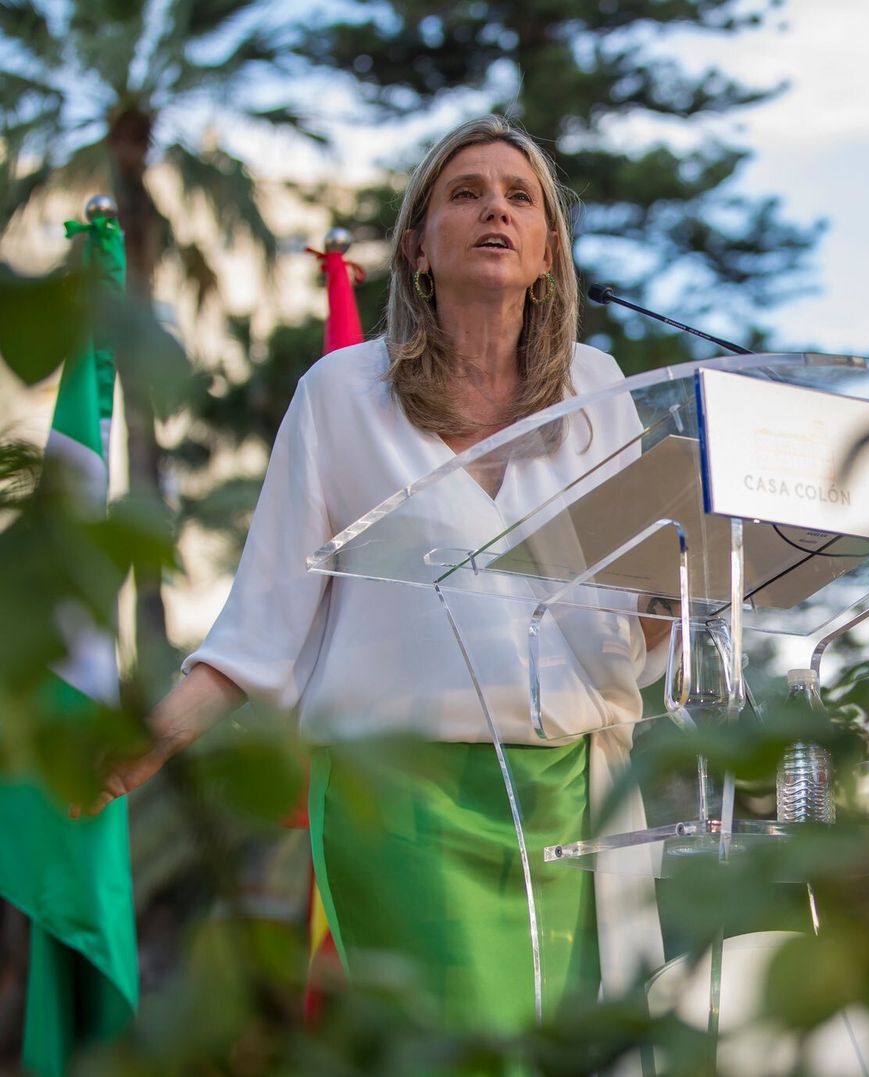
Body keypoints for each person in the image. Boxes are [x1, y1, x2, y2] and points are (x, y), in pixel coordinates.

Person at [82, 116, 667, 1028]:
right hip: (402, 806)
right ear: (416, 248)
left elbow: (642, 620)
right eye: (465, 193)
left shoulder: (602, 393)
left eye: (521, 199)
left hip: (579, 800)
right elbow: (261, 624)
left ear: (551, 252)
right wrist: (139, 750)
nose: (495, 211)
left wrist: (699, 587)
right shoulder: (341, 396)